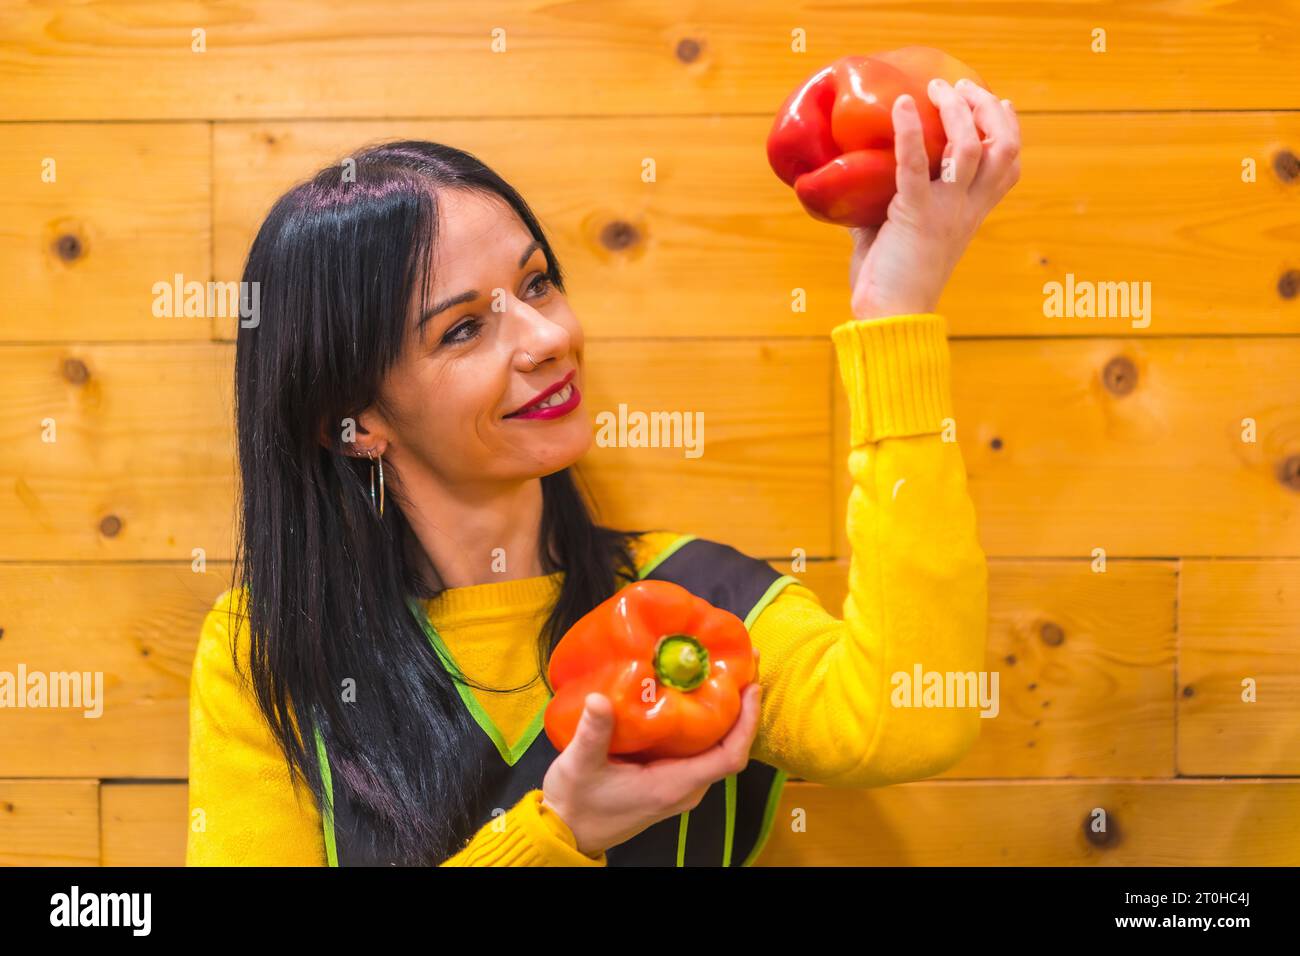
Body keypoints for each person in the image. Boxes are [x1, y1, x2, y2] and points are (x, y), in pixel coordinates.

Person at [186, 77, 1020, 866]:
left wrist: (896, 315)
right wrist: (562, 833)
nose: (547, 338)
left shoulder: (694, 602)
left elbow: (911, 719)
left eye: (537, 284)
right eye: (464, 329)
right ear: (356, 423)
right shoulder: (266, 651)